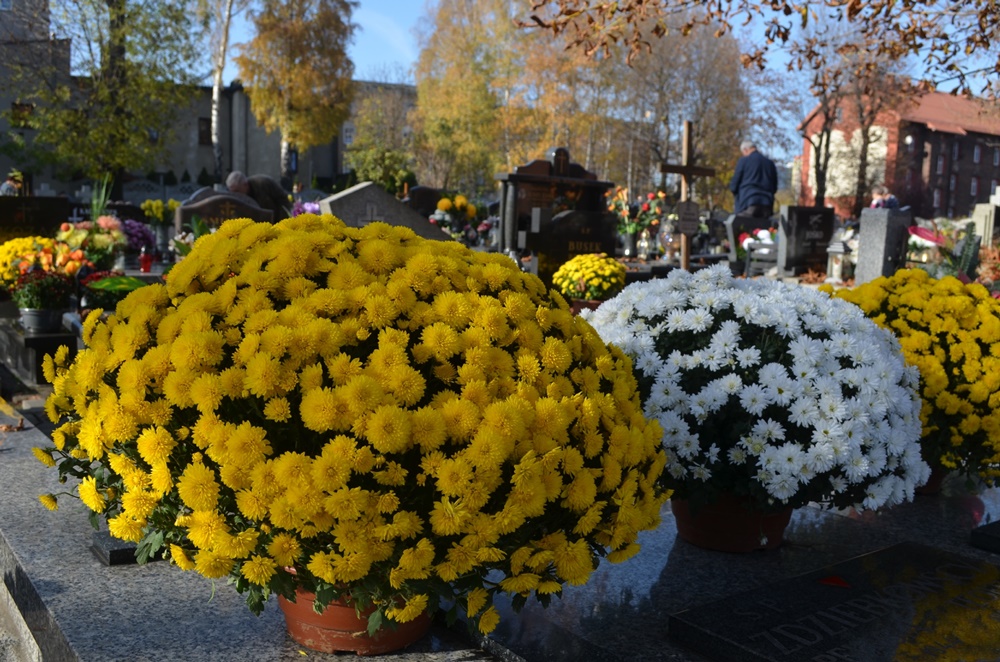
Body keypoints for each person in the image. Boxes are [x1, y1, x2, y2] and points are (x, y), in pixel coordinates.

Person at [728, 140, 778, 218]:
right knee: (763, 229)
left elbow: (734, 184)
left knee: (743, 227)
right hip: (766, 203)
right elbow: (774, 187)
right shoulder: (770, 163)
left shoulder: (744, 161)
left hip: (748, 201)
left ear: (746, 150)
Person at [226, 171, 291, 221]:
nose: (236, 195)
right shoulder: (238, 197)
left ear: (245, 184)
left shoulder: (264, 183)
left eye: (237, 191)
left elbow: (284, 199)